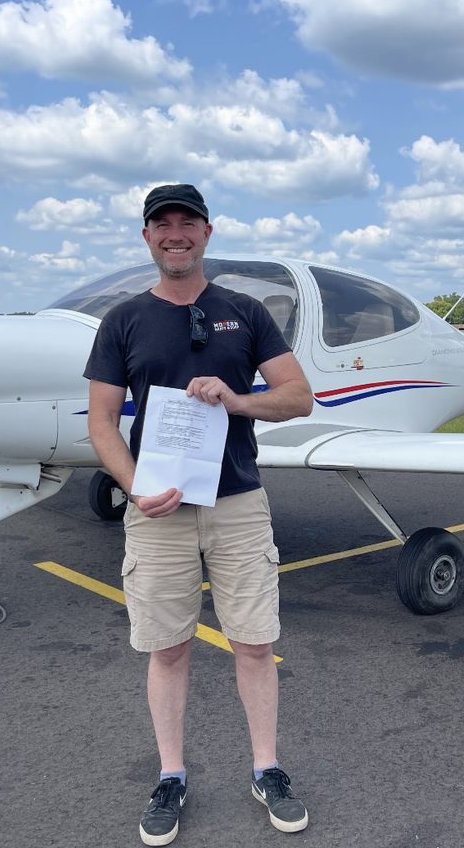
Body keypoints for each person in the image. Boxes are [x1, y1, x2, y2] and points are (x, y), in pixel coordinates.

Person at [84, 184, 314, 846]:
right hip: (158, 511)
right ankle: (171, 776)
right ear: (148, 237)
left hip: (238, 503)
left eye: (188, 221)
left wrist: (238, 400)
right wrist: (134, 487)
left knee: (255, 643)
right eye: (162, 223)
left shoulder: (246, 312)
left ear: (207, 233)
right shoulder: (123, 320)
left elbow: (298, 397)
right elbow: (101, 422)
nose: (175, 233)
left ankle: (266, 768)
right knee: (168, 649)